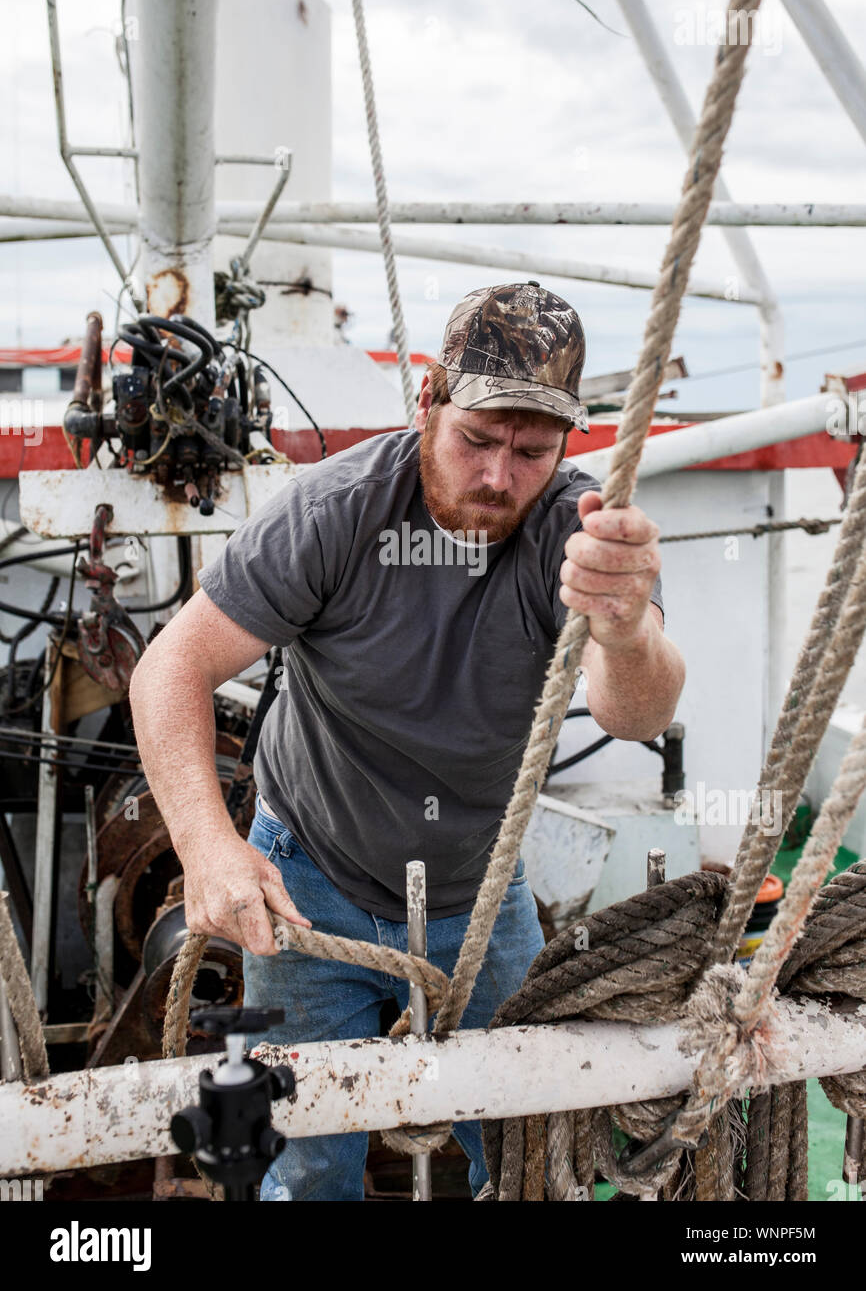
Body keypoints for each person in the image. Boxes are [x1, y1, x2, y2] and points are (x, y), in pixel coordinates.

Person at [129, 280, 685, 1201]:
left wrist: (626, 629)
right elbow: (169, 669)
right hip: (307, 878)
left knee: (520, 1149)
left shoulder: (578, 534)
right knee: (305, 1157)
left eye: (532, 451)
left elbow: (638, 715)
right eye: (477, 441)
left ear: (567, 446)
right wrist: (205, 844)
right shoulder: (331, 514)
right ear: (428, 399)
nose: (501, 476)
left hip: (480, 886)